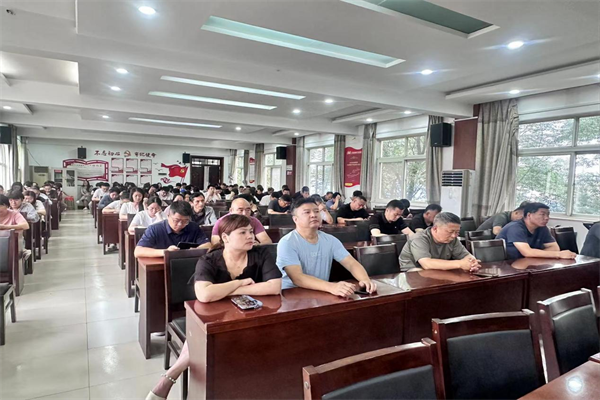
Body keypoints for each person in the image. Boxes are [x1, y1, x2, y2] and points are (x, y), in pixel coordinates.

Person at [145, 214, 282, 400]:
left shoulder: (261, 254)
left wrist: (225, 290)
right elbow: (204, 295)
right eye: (243, 232)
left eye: (251, 232)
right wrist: (240, 283)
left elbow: (274, 287)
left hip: (250, 316)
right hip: (212, 316)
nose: (251, 236)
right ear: (225, 237)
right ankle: (173, 377)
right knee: (206, 336)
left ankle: (170, 376)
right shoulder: (209, 259)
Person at [276, 198, 376, 296]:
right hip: (293, 295)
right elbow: (297, 278)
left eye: (316, 211)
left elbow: (351, 263)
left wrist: (365, 280)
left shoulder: (330, 240)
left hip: (321, 292)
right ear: (295, 219)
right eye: (307, 212)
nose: (313, 215)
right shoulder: (287, 243)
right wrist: (332, 287)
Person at [400, 212, 481, 272]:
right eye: (450, 232)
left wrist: (472, 263)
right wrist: (460, 264)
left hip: (438, 270)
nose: (454, 235)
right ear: (435, 229)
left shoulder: (453, 239)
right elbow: (426, 264)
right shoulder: (419, 238)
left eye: (457, 232)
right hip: (413, 272)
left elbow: (466, 256)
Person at [497, 202, 576, 260]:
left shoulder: (542, 228)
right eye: (542, 214)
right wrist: (559, 254)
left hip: (526, 262)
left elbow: (554, 247)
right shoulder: (515, 227)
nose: (546, 218)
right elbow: (527, 252)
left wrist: (536, 253)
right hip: (505, 265)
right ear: (529, 215)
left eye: (548, 214)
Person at [134, 201, 211, 258]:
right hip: (161, 266)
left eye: (185, 221)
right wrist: (165, 252)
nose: (180, 224)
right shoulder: (154, 229)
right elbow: (138, 251)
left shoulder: (193, 227)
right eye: (176, 220)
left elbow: (208, 245)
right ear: (168, 216)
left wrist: (195, 250)